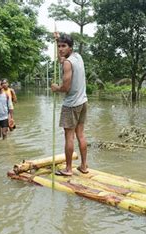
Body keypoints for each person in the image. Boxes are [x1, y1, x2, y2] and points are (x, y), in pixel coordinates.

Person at [51, 32, 88, 176]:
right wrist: (57, 38)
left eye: (63, 46)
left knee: (69, 137)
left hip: (71, 104)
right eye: (59, 46)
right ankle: (84, 166)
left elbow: (65, 87)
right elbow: (62, 58)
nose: (60, 49)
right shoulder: (78, 57)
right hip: (83, 101)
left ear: (70, 48)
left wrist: (56, 88)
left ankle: (68, 169)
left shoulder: (67, 63)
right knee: (81, 134)